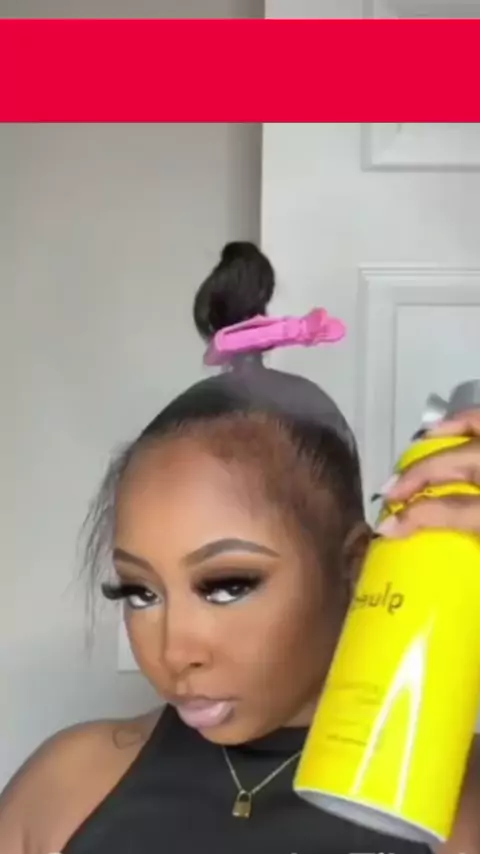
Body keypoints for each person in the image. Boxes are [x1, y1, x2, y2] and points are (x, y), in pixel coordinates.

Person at [0, 242, 478, 854]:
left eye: (227, 585)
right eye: (140, 592)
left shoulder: (459, 804)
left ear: (355, 565)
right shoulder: (64, 787)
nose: (174, 652)